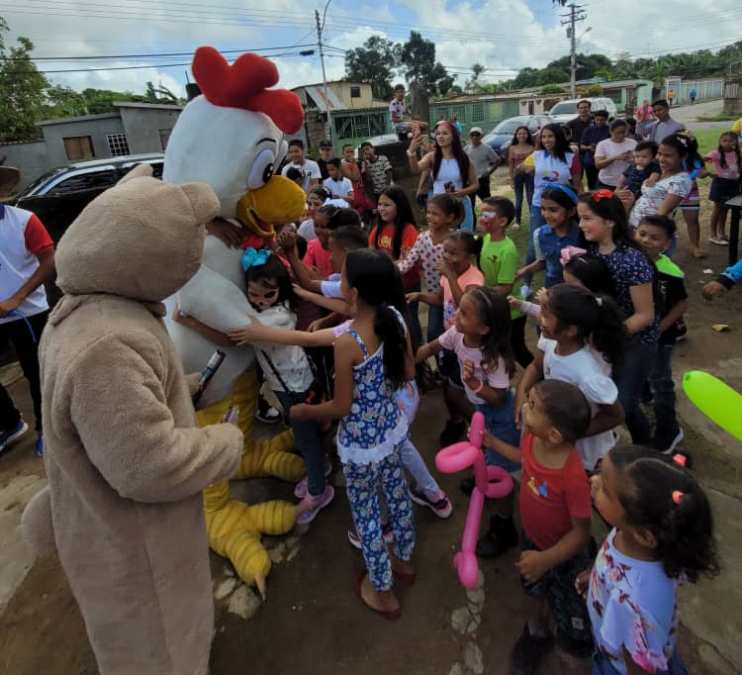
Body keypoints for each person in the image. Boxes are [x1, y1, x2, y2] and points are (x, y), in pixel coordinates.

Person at [289, 249, 416, 619]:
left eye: (341, 277)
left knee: (367, 517)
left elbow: (341, 407)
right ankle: (405, 563)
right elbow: (408, 373)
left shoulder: (348, 343)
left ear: (355, 293)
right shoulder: (392, 317)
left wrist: (305, 411)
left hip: (361, 445)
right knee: (397, 497)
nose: (337, 282)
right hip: (390, 431)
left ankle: (382, 590)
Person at [176, 252, 334, 524]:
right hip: (289, 384)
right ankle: (321, 468)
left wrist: (191, 322)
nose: (260, 301)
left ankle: (318, 492)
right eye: (254, 295)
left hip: (295, 387)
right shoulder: (266, 312)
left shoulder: (276, 318)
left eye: (268, 295)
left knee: (305, 438)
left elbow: (230, 338)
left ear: (280, 291)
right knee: (307, 433)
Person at [484, 380, 595, 673]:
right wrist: (493, 443)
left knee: (569, 604)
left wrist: (546, 559)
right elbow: (524, 459)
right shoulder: (534, 440)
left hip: (563, 554)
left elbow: (581, 533)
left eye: (532, 406)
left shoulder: (573, 477)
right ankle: (537, 630)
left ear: (555, 434)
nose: (523, 406)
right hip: (533, 539)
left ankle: (576, 649)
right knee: (535, 588)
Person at [585, 445, 719, 675]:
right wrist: (597, 581)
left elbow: (638, 665)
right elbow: (614, 564)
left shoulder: (637, 603)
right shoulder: (630, 533)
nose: (593, 481)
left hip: (619, 665)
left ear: (645, 536)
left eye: (605, 490)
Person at [416, 287, 520, 556]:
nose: (455, 315)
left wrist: (474, 383)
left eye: (463, 312)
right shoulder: (457, 335)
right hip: (480, 411)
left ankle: (504, 526)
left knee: (501, 468)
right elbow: (431, 347)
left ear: (484, 329)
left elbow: (498, 398)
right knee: (482, 452)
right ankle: (482, 478)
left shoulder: (493, 358)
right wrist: (405, 364)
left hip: (499, 416)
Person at [515, 283, 625, 472]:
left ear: (571, 330)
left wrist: (568, 434)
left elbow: (615, 415)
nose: (540, 319)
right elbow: (535, 366)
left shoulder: (587, 373)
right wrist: (521, 393)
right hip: (554, 438)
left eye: (546, 315)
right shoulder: (552, 341)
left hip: (583, 454)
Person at [578, 191, 658, 446]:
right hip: (604, 339)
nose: (581, 225)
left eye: (587, 218)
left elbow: (645, 315)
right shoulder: (591, 248)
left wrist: (606, 337)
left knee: (622, 404)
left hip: (635, 341)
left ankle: (646, 452)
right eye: (580, 218)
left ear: (610, 221)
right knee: (608, 398)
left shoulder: (632, 260)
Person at [408, 231, 484, 445]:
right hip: (450, 338)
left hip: (467, 342)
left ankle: (480, 430)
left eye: (454, 253)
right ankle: (456, 420)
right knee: (449, 384)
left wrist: (450, 276)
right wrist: (421, 296)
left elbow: (467, 307)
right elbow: (442, 300)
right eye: (446, 252)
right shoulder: (446, 275)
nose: (448, 257)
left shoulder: (474, 278)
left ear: (469, 256)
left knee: (463, 389)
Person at [0, 168, 56, 457]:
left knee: (37, 372)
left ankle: (47, 429)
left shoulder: (24, 221)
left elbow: (49, 260)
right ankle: (9, 423)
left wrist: (17, 296)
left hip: (28, 312)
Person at [635, 215, 688, 452]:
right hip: (638, 333)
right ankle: (648, 405)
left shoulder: (670, 272)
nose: (646, 240)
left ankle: (669, 429)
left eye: (655, 238)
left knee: (660, 380)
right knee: (641, 373)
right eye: (642, 234)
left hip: (661, 336)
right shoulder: (632, 261)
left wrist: (659, 328)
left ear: (667, 244)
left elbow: (681, 304)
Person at [397, 193, 462, 345]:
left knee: (457, 332)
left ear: (450, 217)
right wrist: (387, 268)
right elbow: (407, 263)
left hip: (454, 295)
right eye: (428, 212)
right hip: (435, 297)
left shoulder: (455, 242)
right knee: (433, 333)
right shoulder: (422, 238)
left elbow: (461, 270)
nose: (429, 217)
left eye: (435, 214)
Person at [477, 196, 533, 369]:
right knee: (500, 347)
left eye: (486, 214)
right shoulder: (486, 238)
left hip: (511, 311)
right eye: (480, 213)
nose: (481, 218)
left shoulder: (507, 250)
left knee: (517, 349)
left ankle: (539, 376)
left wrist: (480, 296)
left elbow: (506, 287)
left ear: (502, 221)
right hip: (496, 307)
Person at [625, 133, 701, 257]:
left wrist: (642, 235)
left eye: (668, 155)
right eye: (659, 154)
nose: (661, 159)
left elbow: (661, 213)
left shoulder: (681, 181)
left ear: (683, 156)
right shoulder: (660, 171)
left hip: (651, 238)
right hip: (638, 230)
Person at [407, 120, 479, 232]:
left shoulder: (464, 159)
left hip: (461, 205)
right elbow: (415, 169)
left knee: (463, 240)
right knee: (442, 240)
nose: (440, 136)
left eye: (445, 133)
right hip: (439, 206)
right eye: (438, 134)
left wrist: (462, 192)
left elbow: (475, 184)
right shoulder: (432, 157)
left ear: (453, 137)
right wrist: (411, 152)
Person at [518, 123, 581, 234]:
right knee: (536, 238)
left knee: (563, 238)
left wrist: (579, 204)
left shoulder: (571, 157)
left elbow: (577, 185)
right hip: (539, 204)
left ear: (558, 137)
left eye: (550, 136)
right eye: (543, 137)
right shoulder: (537, 155)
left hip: (562, 206)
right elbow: (521, 168)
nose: (546, 140)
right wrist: (525, 168)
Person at [518, 185, 584, 290]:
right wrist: (524, 271)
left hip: (578, 292)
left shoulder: (583, 235)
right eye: (543, 209)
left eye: (553, 210)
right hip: (552, 289)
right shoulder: (539, 234)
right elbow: (543, 261)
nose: (546, 215)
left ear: (571, 211)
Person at [368, 186, 419, 294]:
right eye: (380, 204)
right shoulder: (376, 229)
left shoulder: (409, 230)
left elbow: (405, 261)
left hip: (406, 287)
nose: (381, 208)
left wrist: (380, 268)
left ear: (399, 207)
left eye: (387, 205)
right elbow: (371, 256)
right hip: (385, 285)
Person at [705, 131, 741, 245]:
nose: (727, 143)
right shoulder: (716, 153)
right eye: (724, 140)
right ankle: (712, 234)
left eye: (730, 141)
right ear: (720, 142)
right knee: (718, 209)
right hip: (720, 184)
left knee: (725, 209)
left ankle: (722, 233)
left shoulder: (738, 153)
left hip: (733, 184)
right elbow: (700, 160)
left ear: (736, 142)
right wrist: (708, 172)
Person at [594, 119, 637, 190]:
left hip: (626, 182)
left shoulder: (633, 143)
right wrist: (615, 158)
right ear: (611, 131)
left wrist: (632, 159)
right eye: (618, 133)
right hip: (607, 182)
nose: (621, 135)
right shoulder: (603, 144)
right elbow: (598, 165)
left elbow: (639, 162)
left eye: (624, 132)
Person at [507, 125, 536, 229]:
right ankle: (517, 221)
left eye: (524, 133)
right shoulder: (512, 148)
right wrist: (510, 178)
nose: (522, 135)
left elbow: (535, 163)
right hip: (517, 176)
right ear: (516, 135)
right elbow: (510, 164)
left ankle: (534, 220)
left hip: (530, 176)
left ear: (528, 135)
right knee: (518, 200)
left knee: (530, 199)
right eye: (519, 133)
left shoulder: (532, 147)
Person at [464, 126, 499, 208]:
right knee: (470, 204)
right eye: (472, 135)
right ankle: (473, 220)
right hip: (470, 181)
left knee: (487, 202)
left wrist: (489, 172)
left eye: (477, 135)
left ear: (481, 136)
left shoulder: (487, 148)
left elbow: (497, 160)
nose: (475, 137)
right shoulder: (466, 148)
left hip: (482, 179)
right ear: (470, 136)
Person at [341, 143, 374, 219]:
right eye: (347, 152)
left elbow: (366, 177)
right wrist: (353, 163)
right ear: (343, 154)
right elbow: (355, 177)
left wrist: (364, 162)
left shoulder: (356, 162)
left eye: (351, 152)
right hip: (353, 195)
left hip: (361, 192)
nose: (350, 154)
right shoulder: (343, 164)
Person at [579, 110, 611, 190]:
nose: (599, 122)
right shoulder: (588, 130)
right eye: (597, 120)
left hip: (605, 160)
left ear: (606, 119)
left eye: (602, 120)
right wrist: (589, 147)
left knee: (603, 182)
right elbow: (582, 146)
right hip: (590, 160)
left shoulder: (610, 130)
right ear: (594, 119)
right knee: (591, 183)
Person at [360, 141, 393, 208]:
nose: (366, 152)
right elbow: (368, 179)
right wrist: (366, 164)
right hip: (378, 193)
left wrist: (386, 187)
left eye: (367, 149)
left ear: (373, 149)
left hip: (389, 188)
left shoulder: (383, 158)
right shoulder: (365, 164)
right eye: (363, 151)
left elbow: (389, 173)